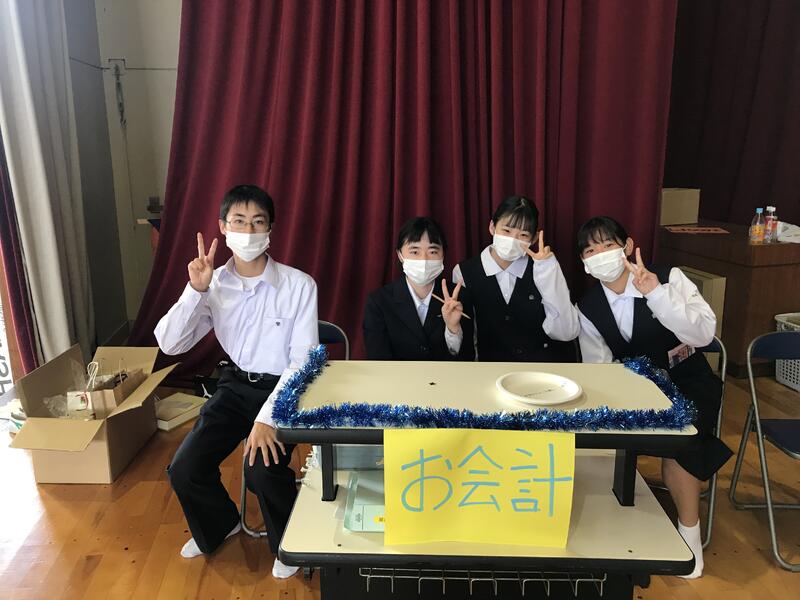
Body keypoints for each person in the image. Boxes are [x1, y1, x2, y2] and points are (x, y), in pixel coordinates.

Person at [154, 184, 318, 579]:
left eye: (258, 222)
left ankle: (290, 544)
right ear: (223, 227)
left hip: (284, 391)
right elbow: (170, 343)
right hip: (234, 385)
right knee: (184, 468)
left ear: (270, 230)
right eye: (239, 222)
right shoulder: (213, 283)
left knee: (261, 471)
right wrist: (195, 290)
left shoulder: (299, 285)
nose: (248, 231)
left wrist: (266, 419)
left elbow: (303, 363)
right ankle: (220, 524)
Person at [575, 216, 732, 579]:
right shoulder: (589, 305)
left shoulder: (668, 277)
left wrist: (656, 294)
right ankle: (614, 522)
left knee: (681, 442)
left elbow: (703, 334)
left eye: (608, 245)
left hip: (688, 381)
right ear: (584, 261)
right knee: (601, 429)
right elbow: (598, 365)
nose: (600, 255)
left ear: (628, 246)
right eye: (590, 250)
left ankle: (689, 538)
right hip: (633, 389)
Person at [453, 195, 578, 361]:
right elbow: (468, 332)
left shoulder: (544, 268)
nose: (513, 240)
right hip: (491, 367)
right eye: (506, 231)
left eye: (523, 234)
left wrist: (548, 272)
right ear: (492, 227)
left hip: (542, 365)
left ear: (534, 238)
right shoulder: (465, 271)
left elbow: (566, 332)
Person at [363, 217, 474, 360]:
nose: (424, 259)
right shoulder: (379, 301)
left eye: (432, 252)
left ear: (443, 255)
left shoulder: (459, 297)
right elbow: (377, 359)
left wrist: (453, 330)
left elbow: (467, 358)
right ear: (400, 255)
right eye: (414, 252)